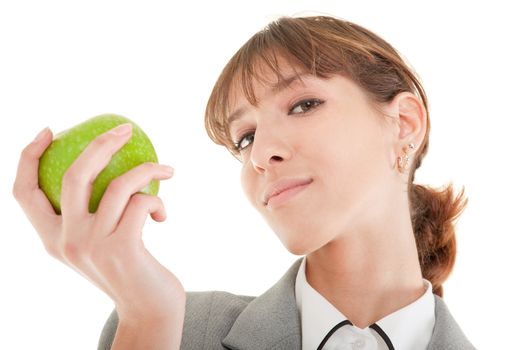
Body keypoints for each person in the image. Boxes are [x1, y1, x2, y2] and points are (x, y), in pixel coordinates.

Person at [13, 15, 476, 349]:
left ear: (405, 124)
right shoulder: (168, 329)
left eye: (303, 105)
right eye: (245, 137)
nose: (259, 153)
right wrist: (147, 319)